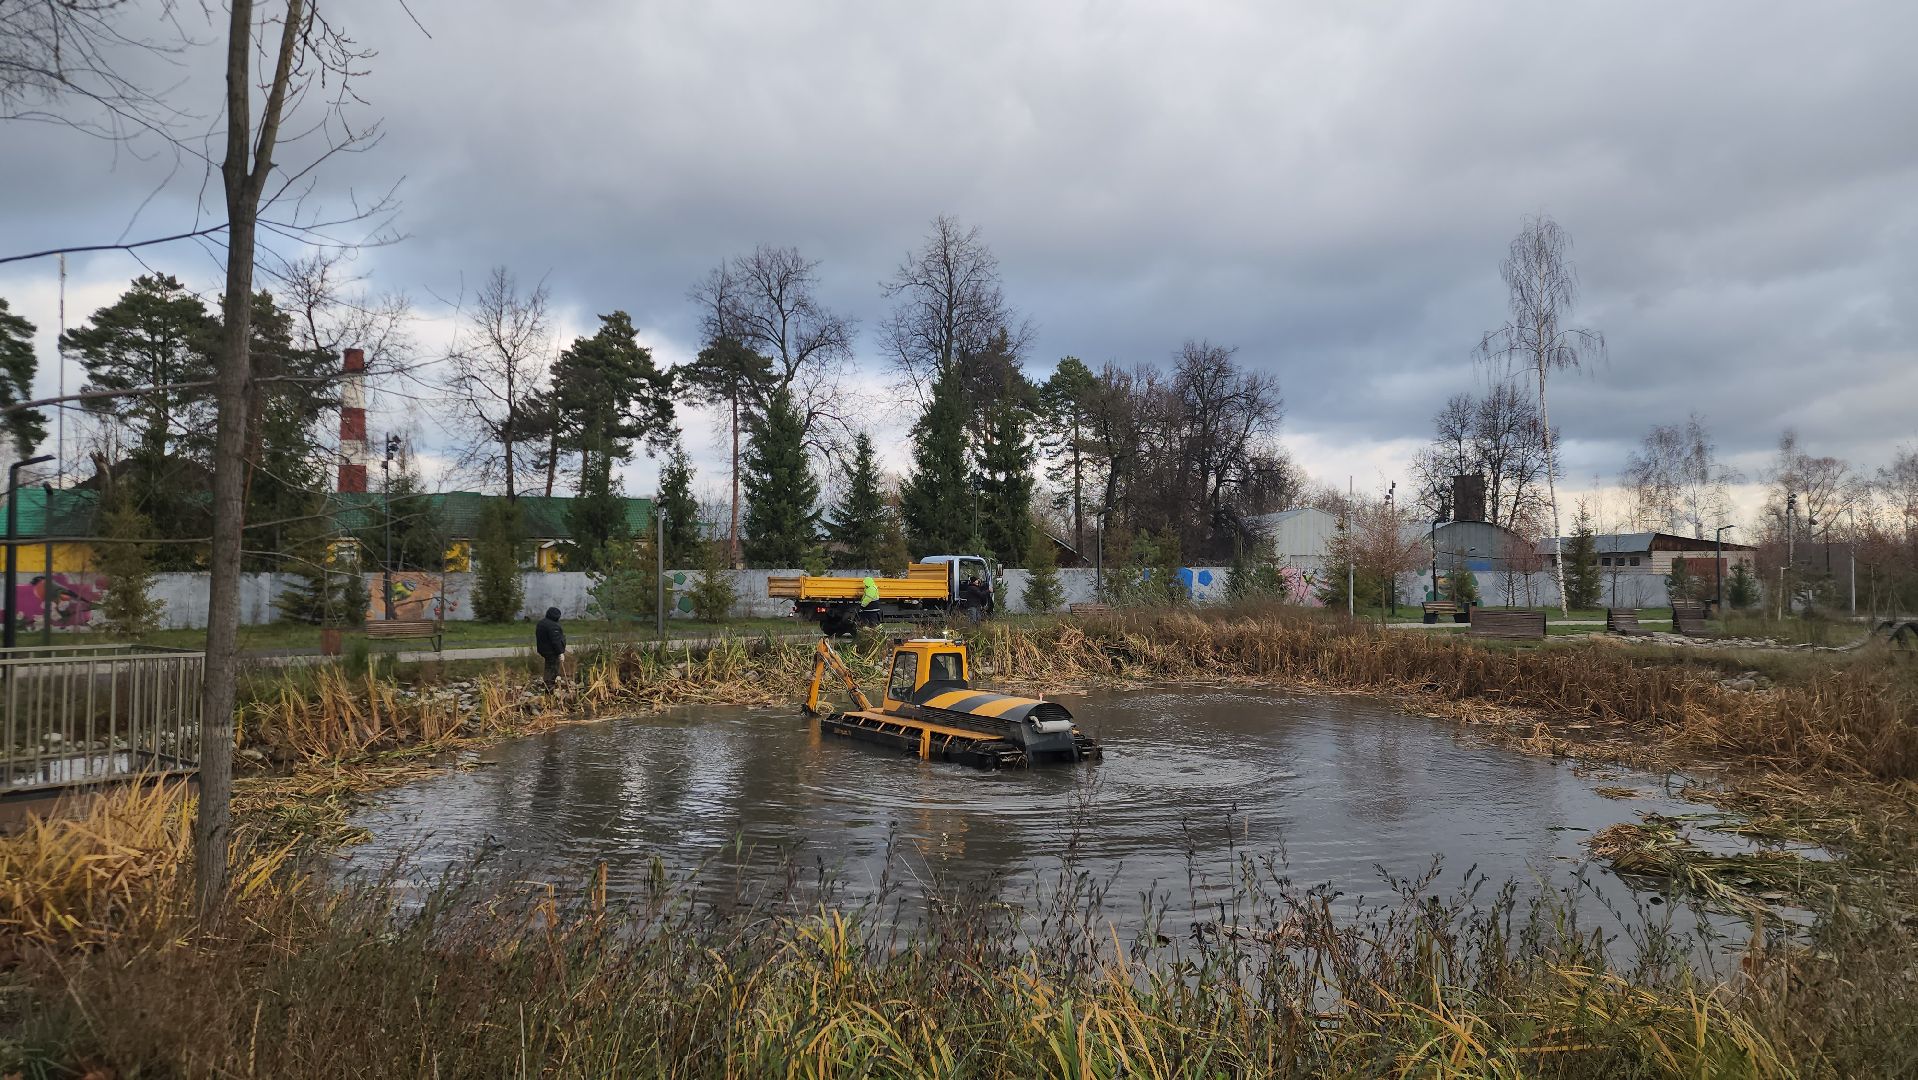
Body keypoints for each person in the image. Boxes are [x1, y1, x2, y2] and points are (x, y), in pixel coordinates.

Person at [535, 606, 566, 690]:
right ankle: (549, 687)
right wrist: (560, 652)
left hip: (543, 649)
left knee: (549, 666)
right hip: (551, 651)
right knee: (552, 668)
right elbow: (555, 641)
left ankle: (548, 684)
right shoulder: (553, 626)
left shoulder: (542, 623)